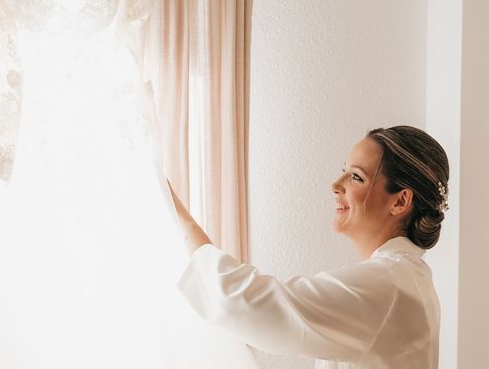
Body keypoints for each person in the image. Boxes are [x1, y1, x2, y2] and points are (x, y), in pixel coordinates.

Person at [168, 125, 449, 369]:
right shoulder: (406, 279)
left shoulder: (387, 285)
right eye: (344, 172)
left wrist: (181, 219)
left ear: (399, 201)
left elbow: (246, 303)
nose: (335, 185)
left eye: (356, 177)